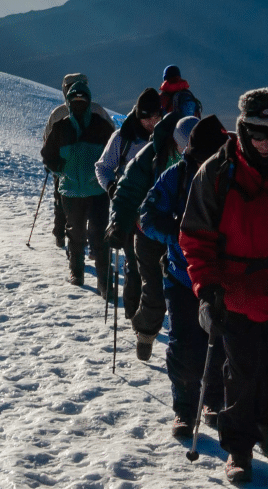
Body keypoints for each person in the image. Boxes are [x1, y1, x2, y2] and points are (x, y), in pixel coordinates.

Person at [180, 88, 268, 483]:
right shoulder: (217, 172)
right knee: (240, 372)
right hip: (234, 292)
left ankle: (265, 425)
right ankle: (238, 450)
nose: (264, 142)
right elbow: (196, 236)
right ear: (242, 128)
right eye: (256, 132)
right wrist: (206, 291)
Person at [140, 115, 229, 438]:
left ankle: (213, 402)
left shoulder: (232, 176)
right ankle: (184, 410)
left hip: (221, 278)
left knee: (219, 344)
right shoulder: (175, 177)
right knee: (184, 346)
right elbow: (148, 217)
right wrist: (178, 235)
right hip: (181, 275)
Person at [111, 114, 199, 361]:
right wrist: (118, 222)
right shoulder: (152, 155)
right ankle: (145, 334)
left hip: (184, 240)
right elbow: (127, 189)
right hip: (148, 233)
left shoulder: (203, 160)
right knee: (153, 292)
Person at [41, 74, 115, 292]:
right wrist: (60, 169)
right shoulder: (70, 125)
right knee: (79, 233)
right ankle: (88, 276)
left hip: (85, 189)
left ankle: (96, 278)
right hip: (81, 189)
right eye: (76, 100)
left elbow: (114, 152)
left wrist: (61, 171)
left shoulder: (71, 124)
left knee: (87, 233)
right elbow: (48, 155)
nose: (79, 104)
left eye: (82, 101)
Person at [97, 88, 163, 320]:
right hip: (128, 213)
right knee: (135, 266)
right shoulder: (123, 138)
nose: (151, 123)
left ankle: (148, 312)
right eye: (146, 117)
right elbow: (103, 167)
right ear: (137, 114)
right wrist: (113, 188)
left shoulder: (166, 139)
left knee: (154, 268)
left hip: (157, 212)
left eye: (156, 117)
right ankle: (135, 315)